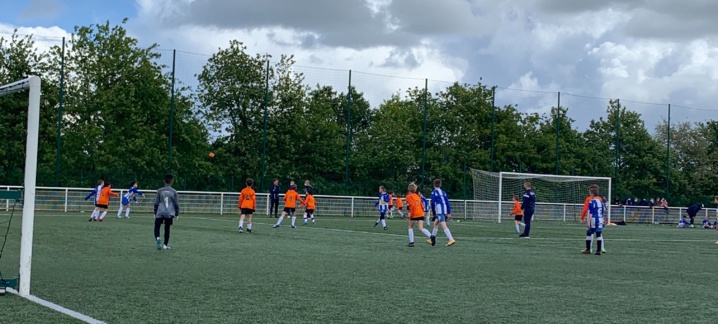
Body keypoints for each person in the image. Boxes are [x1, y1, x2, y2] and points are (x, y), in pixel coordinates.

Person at [405, 182, 435, 247]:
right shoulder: (418, 196)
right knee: (421, 228)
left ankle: (411, 242)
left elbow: (412, 205)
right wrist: (423, 213)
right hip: (420, 213)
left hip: (414, 213)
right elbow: (422, 205)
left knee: (410, 227)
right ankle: (431, 236)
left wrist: (411, 215)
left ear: (409, 189)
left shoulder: (408, 196)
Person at [154, 174, 179, 250]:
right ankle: (165, 245)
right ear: (172, 181)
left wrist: (155, 212)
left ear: (164, 181)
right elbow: (176, 203)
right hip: (169, 213)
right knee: (167, 228)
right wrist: (177, 213)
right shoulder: (174, 192)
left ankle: (158, 238)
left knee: (157, 227)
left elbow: (156, 203)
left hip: (160, 212)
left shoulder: (159, 190)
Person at [428, 179, 456, 246]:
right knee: (436, 224)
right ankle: (432, 238)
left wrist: (434, 213)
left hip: (439, 210)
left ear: (434, 185)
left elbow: (432, 203)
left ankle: (451, 239)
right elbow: (447, 202)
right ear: (440, 185)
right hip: (444, 210)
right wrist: (449, 212)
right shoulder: (443, 192)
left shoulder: (434, 192)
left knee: (443, 225)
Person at [582, 188, 607, 253]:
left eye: (590, 193)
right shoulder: (601, 202)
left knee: (589, 233)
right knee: (598, 234)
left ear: (592, 194)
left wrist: (588, 222)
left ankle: (588, 249)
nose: (590, 195)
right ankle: (598, 250)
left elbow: (590, 213)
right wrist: (603, 219)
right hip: (600, 219)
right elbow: (603, 211)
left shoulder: (591, 202)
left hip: (593, 219)